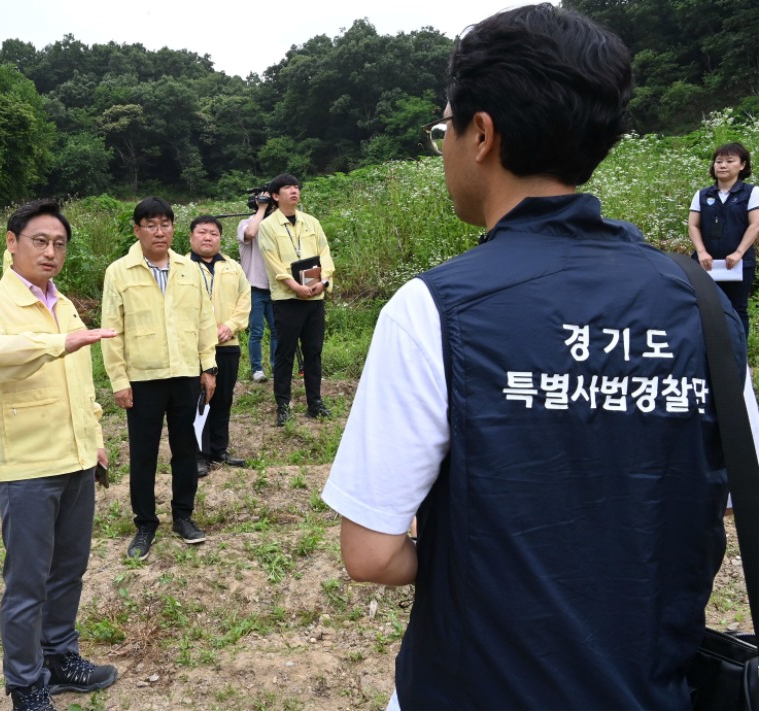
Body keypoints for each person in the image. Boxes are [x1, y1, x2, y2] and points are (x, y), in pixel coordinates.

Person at [322, 5, 759, 709]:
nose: (445, 147)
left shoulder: (434, 309)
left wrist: (496, 556)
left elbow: (370, 553)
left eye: (445, 129)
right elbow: (733, 490)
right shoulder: (699, 302)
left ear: (482, 134)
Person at [0, 199, 118, 711]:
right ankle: (25, 684)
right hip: (28, 467)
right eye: (40, 241)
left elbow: (78, 382)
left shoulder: (64, 303)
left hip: (75, 460)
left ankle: (60, 657)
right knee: (26, 584)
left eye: (59, 244)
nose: (51, 253)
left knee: (69, 571)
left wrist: (94, 437)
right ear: (12, 243)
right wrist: (57, 342)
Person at [101, 197, 218, 560]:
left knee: (185, 451)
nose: (159, 231)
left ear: (173, 229)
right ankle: (145, 524)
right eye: (150, 224)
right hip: (142, 380)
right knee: (144, 455)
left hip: (185, 375)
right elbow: (111, 330)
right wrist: (119, 380)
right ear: (136, 230)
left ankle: (183, 516)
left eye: (165, 224)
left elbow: (204, 319)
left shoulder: (188, 269)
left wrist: (208, 366)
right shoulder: (119, 272)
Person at [257, 174, 336, 426]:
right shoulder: (268, 227)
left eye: (296, 187)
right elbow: (273, 263)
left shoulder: (311, 222)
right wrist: (294, 286)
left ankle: (315, 403)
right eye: (287, 188)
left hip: (315, 297)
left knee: (314, 351)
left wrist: (323, 282)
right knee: (285, 353)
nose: (294, 191)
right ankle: (283, 406)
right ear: (275, 196)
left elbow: (325, 253)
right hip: (287, 299)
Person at [189, 215, 251, 476]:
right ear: (191, 237)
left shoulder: (233, 267)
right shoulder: (182, 267)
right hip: (195, 348)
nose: (207, 237)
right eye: (202, 232)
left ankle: (219, 449)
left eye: (213, 233)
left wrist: (230, 325)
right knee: (199, 400)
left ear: (220, 238)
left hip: (227, 344)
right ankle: (198, 454)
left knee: (223, 398)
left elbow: (244, 299)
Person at [688, 142, 759, 335]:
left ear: (742, 165)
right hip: (705, 264)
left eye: (729, 161)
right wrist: (701, 252)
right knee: (705, 308)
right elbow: (693, 225)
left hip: (739, 264)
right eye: (718, 161)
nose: (722, 165)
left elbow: (755, 224)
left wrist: (738, 253)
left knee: (738, 309)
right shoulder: (702, 194)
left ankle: (740, 359)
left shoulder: (752, 193)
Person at [238, 193, 278, 383]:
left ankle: (277, 368)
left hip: (275, 287)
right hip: (254, 286)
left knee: (277, 330)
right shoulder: (246, 223)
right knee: (257, 331)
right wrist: (261, 208)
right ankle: (257, 369)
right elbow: (251, 234)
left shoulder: (275, 226)